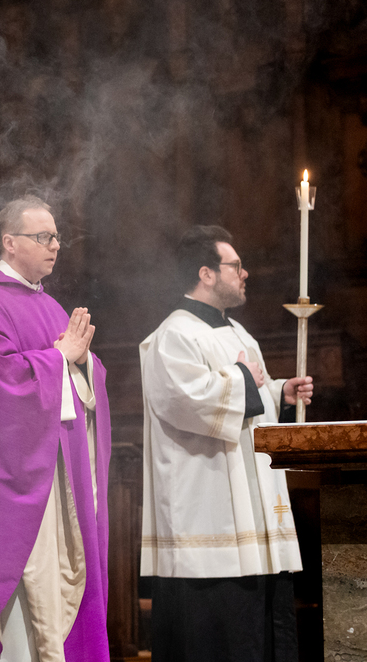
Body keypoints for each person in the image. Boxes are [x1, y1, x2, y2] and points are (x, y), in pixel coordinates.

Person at [0, 196, 112, 662]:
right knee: (26, 598)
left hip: (60, 474)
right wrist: (59, 359)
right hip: (21, 480)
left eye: (56, 237)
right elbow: (1, 385)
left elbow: (84, 376)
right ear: (10, 243)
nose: (55, 245)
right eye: (43, 237)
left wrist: (82, 363)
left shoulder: (50, 305)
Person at [139, 225, 311, 662]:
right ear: (206, 273)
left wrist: (279, 393)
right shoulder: (174, 335)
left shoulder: (238, 333)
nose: (244, 272)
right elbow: (186, 401)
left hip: (250, 513)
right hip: (207, 516)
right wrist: (242, 380)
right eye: (235, 265)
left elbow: (249, 400)